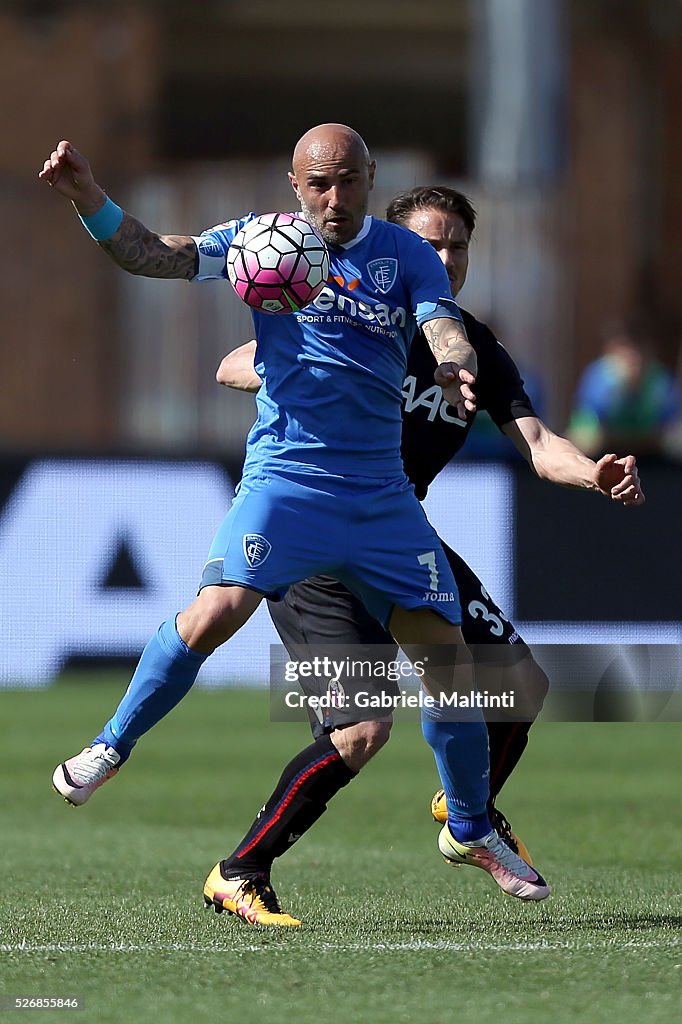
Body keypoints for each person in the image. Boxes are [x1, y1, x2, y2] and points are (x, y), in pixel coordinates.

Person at [40, 125, 552, 928]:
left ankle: (469, 823)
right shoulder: (260, 243)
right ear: (294, 184)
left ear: (371, 178)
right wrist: (90, 201)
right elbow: (152, 254)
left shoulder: (404, 254)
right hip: (288, 482)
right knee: (216, 613)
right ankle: (111, 743)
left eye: (349, 182)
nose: (335, 199)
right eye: (320, 184)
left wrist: (454, 363)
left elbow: (442, 322)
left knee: (455, 669)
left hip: (382, 498)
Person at [213, 185, 645, 925]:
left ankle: (465, 810)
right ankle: (240, 870)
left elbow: (540, 447)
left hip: (399, 539)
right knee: (359, 734)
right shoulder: (346, 313)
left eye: (458, 246)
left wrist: (595, 473)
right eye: (431, 244)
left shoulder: (475, 346)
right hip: (315, 542)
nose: (444, 257)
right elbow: (232, 364)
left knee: (520, 687)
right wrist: (304, 371)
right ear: (397, 250)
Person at [568, 319, 680, 457]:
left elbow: (671, 422)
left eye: (637, 350)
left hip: (652, 449)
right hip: (607, 448)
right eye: (625, 351)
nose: (633, 358)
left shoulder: (660, 380)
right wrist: (619, 391)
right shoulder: (598, 376)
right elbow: (589, 422)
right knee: (586, 441)